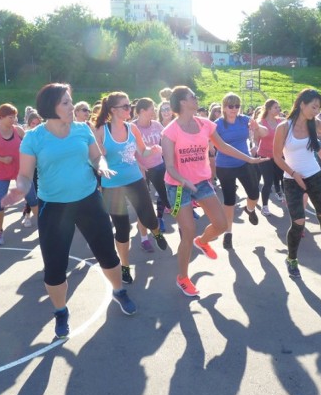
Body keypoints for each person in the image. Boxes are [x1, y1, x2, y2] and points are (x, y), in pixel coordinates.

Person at [1, 83, 138, 335]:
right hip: (53, 208)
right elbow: (24, 175)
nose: (71, 106)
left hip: (88, 201)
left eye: (70, 101)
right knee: (54, 267)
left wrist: (101, 165)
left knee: (107, 254)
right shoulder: (34, 137)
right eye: (65, 102)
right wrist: (19, 189)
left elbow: (97, 156)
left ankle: (119, 291)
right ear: (50, 107)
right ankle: (61, 312)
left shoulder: (82, 130)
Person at [161, 86, 264, 296]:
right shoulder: (170, 131)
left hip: (201, 182)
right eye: (192, 96)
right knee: (188, 232)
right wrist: (183, 181)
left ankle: (204, 241)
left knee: (222, 224)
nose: (196, 98)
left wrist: (250, 159)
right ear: (182, 102)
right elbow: (170, 166)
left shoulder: (205, 124)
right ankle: (183, 277)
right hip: (178, 186)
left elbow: (224, 147)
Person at [272, 89, 321, 278]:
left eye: (318, 107)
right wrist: (293, 173)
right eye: (314, 107)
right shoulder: (284, 127)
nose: (316, 111)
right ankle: (291, 259)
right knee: (298, 222)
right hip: (292, 180)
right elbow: (276, 156)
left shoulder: (315, 124)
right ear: (301, 104)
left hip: (314, 176)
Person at [94, 92, 168, 284]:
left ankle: (156, 232)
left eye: (130, 106)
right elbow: (96, 156)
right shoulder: (102, 130)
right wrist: (101, 163)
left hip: (135, 179)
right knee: (122, 228)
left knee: (149, 217)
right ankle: (125, 267)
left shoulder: (132, 127)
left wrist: (154, 150)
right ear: (113, 110)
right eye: (125, 106)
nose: (130, 109)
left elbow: (142, 151)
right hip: (112, 185)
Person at [215, 92, 267, 249]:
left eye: (237, 106)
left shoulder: (244, 120)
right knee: (229, 201)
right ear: (224, 107)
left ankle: (249, 209)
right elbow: (215, 144)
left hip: (245, 162)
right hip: (224, 166)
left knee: (254, 194)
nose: (234, 109)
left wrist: (257, 126)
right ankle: (228, 233)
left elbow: (265, 133)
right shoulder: (218, 124)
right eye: (230, 106)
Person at [0, 103, 38, 245]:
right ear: (0, 118)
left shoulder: (19, 131)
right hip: (3, 172)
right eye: (10, 117)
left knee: (33, 199)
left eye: (15, 116)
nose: (14, 119)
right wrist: (2, 159)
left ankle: (44, 228)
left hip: (21, 171)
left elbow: (31, 146)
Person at [132, 97, 171, 237]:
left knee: (166, 195)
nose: (155, 111)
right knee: (144, 202)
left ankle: (161, 219)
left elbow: (166, 141)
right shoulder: (132, 127)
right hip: (140, 169)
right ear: (142, 111)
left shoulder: (156, 125)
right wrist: (139, 164)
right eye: (152, 109)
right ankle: (143, 234)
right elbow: (127, 150)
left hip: (158, 165)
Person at [255, 99, 285, 216]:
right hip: (264, 156)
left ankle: (283, 196)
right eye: (276, 107)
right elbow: (256, 139)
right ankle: (265, 206)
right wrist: (254, 147)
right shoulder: (261, 123)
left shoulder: (281, 122)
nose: (278, 110)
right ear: (269, 109)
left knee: (283, 178)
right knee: (268, 181)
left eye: (279, 107)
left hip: (279, 155)